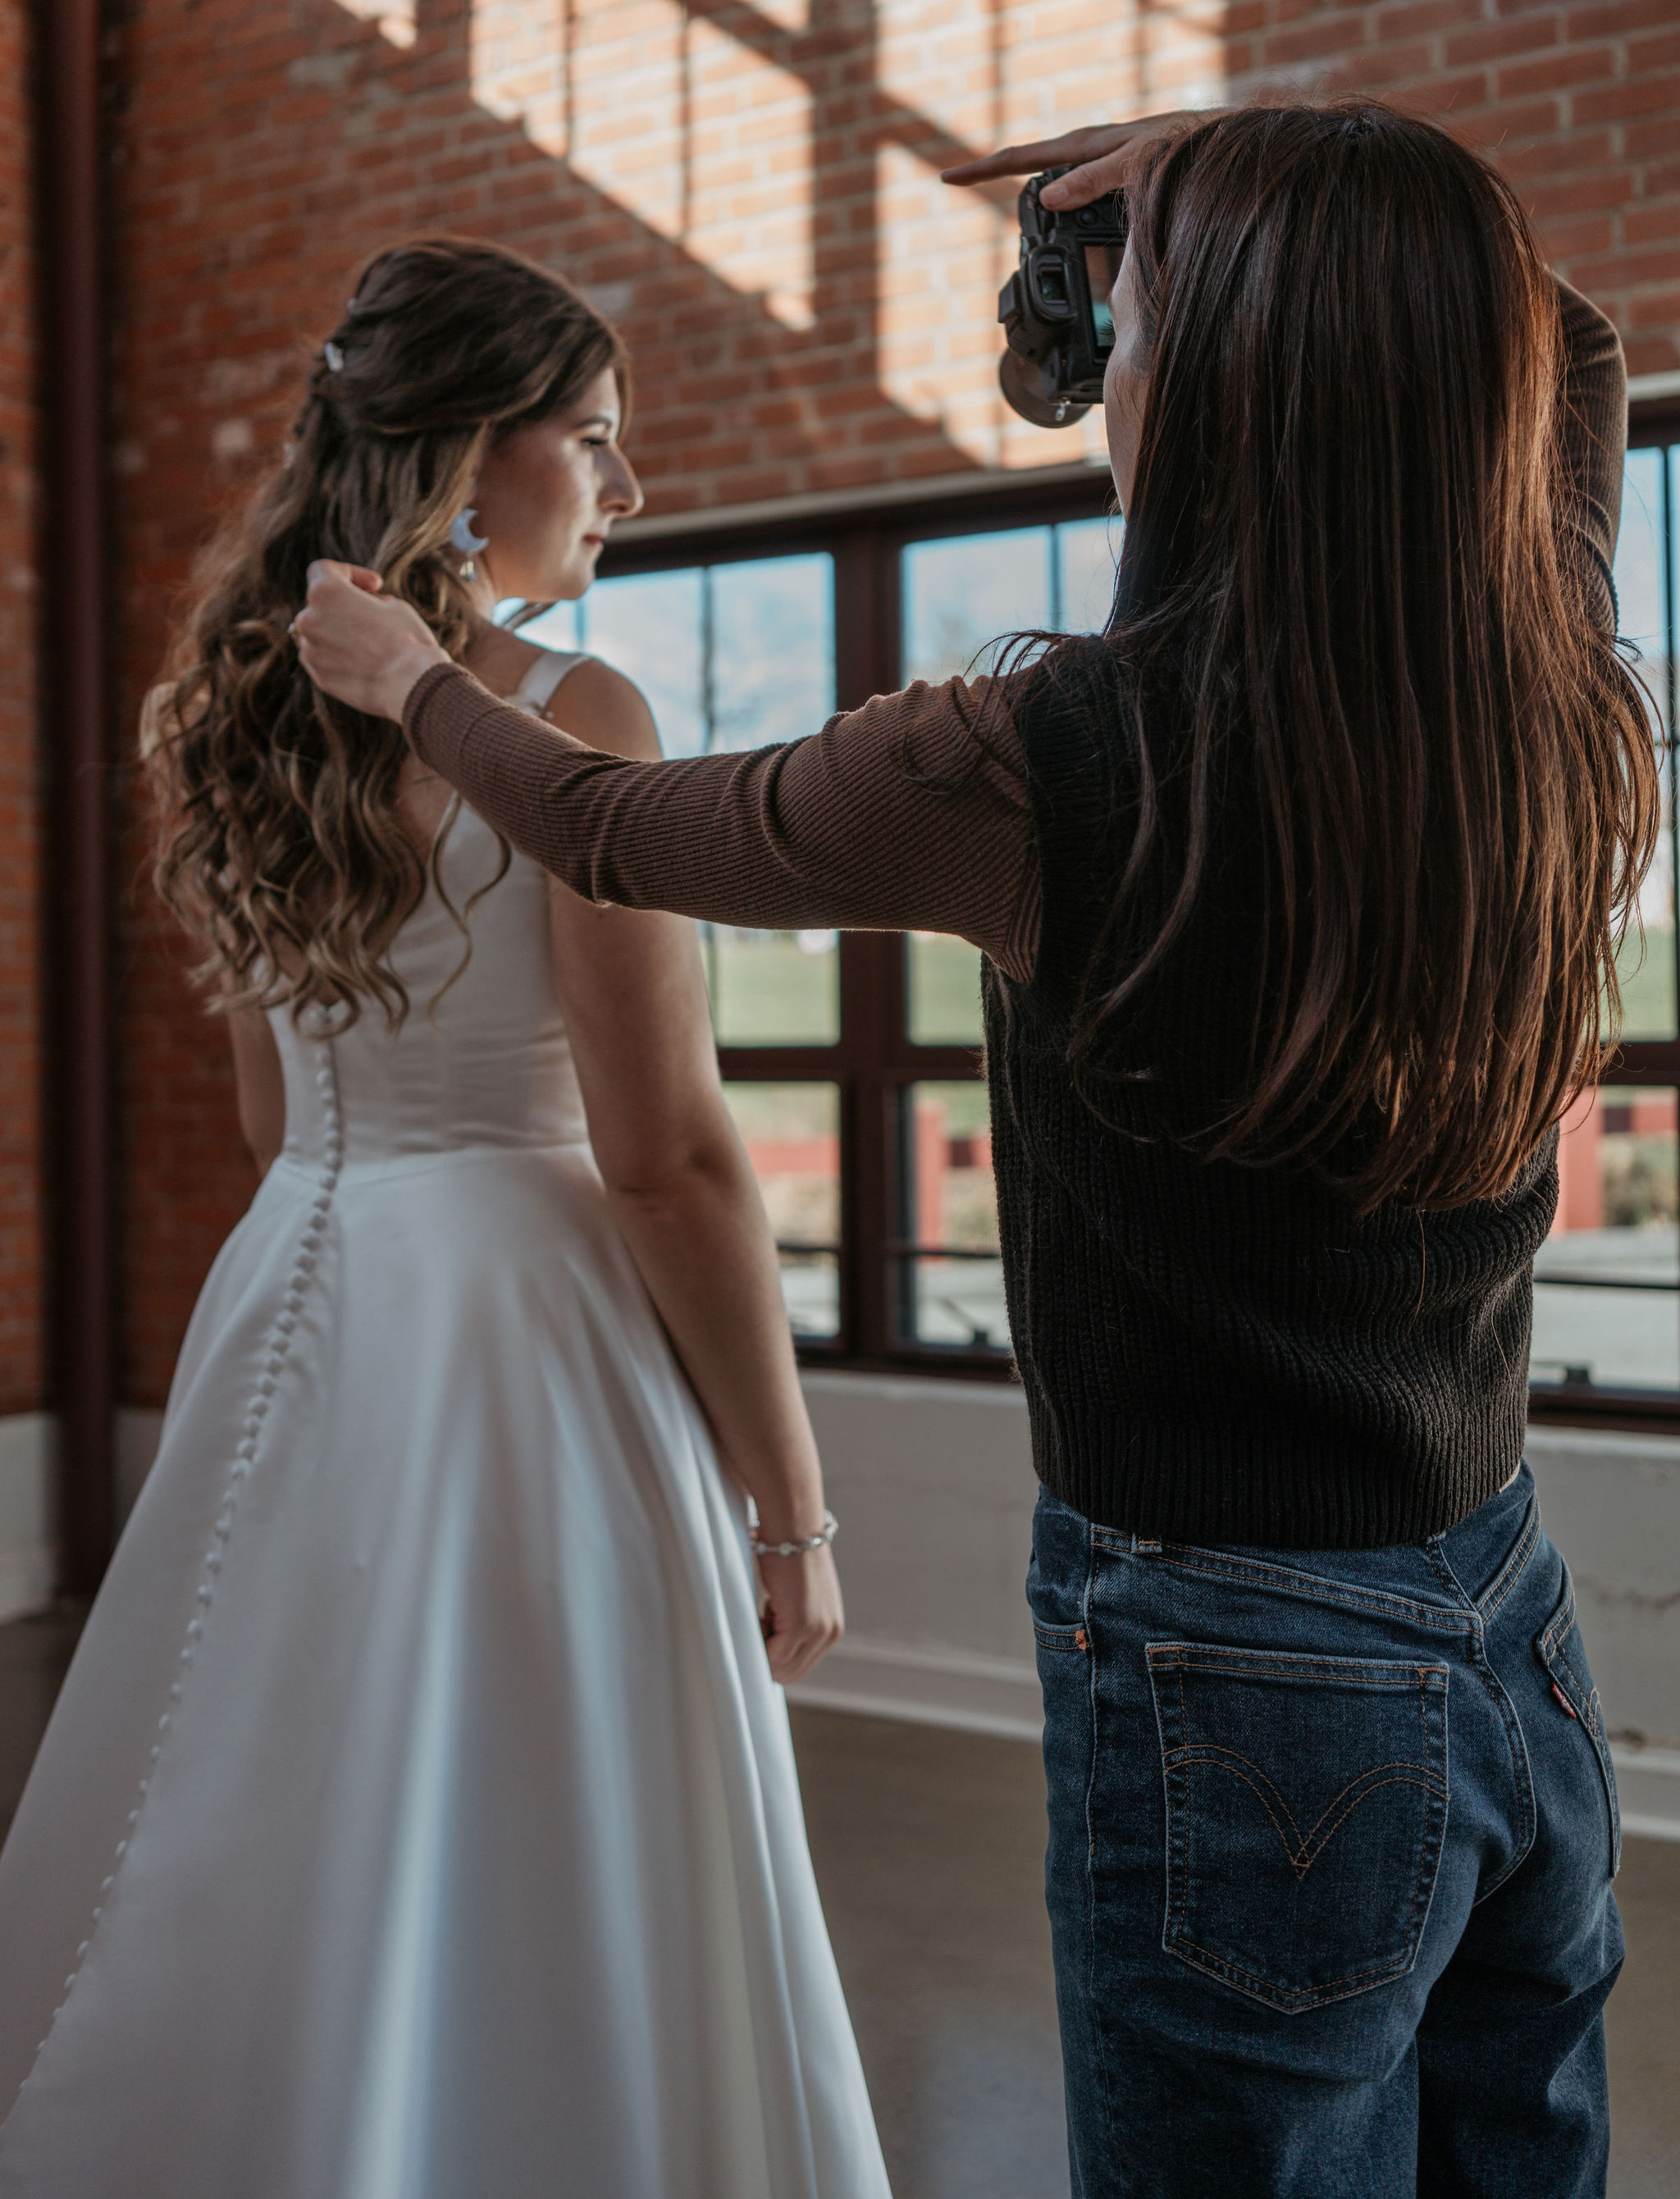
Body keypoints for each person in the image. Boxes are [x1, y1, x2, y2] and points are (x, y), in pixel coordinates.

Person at [294, 107, 1650, 2199]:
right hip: (1513, 1622)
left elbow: (616, 833)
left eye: (1134, 337)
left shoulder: (1035, 763)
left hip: (1227, 1673)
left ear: (1209, 398)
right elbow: (1566, 342)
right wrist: (1236, 176)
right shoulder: (1556, 714)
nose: (1099, 375)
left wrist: (414, 684)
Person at [0, 238, 892, 2199]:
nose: (625, 486)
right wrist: (792, 1499)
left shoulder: (224, 718)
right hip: (525, 1330)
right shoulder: (580, 709)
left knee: (265, 1787)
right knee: (542, 1823)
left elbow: (265, 1113)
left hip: (298, 1290)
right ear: (466, 464)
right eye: (595, 437)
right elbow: (665, 1159)